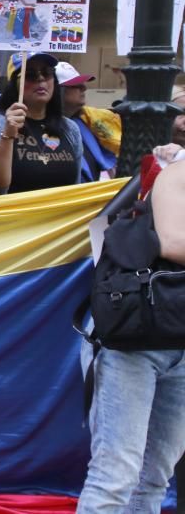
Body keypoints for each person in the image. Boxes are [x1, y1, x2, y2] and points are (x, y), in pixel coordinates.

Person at [76, 142, 185, 513]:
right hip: (134, 336)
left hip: (175, 340)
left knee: (154, 476)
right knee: (116, 476)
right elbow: (172, 243)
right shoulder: (177, 173)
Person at [0, 52, 82, 193]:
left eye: (47, 73)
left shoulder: (70, 128)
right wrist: (8, 135)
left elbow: (75, 188)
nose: (41, 79)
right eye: (30, 75)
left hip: (63, 215)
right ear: (15, 84)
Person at [57, 61, 121, 182]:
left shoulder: (88, 122)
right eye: (76, 85)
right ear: (58, 91)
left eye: (83, 84)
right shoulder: (47, 128)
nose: (84, 88)